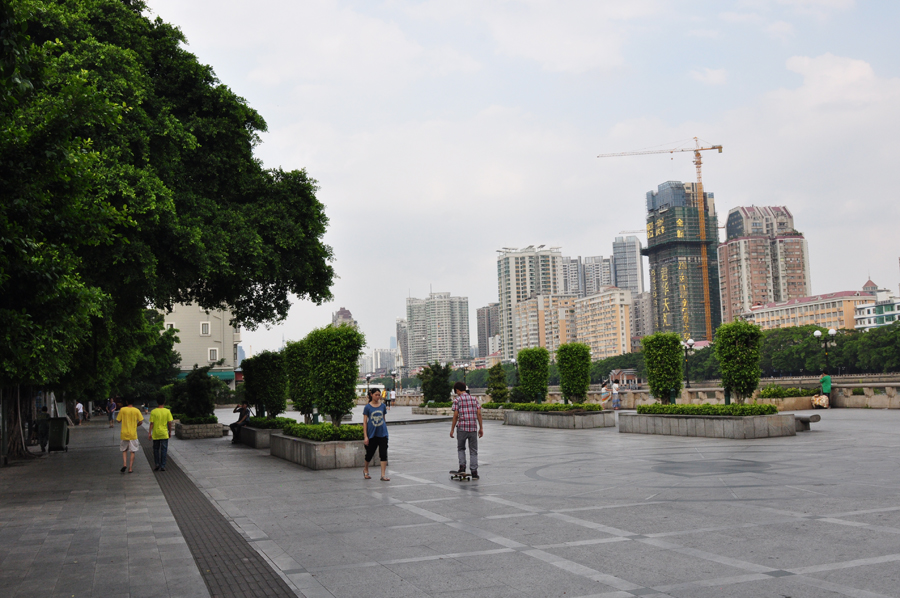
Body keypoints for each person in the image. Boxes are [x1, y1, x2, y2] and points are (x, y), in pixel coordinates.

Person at [450, 382, 483, 479]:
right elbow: (479, 414)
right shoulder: (474, 399)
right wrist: (481, 428)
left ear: (457, 390)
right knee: (473, 450)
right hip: (473, 428)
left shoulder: (457, 400)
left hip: (462, 428)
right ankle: (474, 472)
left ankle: (462, 467)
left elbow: (455, 416)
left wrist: (452, 429)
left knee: (461, 448)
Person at [362, 388, 389, 481]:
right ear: (372, 395)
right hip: (372, 433)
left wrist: (386, 431)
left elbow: (384, 419)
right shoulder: (367, 407)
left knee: (383, 454)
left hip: (382, 433)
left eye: (379, 395)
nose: (378, 396)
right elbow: (365, 422)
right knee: (369, 454)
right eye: (376, 395)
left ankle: (383, 475)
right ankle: (365, 469)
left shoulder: (383, 406)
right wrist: (365, 436)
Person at [116, 398, 143, 473]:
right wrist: (135, 425)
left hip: (124, 433)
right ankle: (130, 468)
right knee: (132, 451)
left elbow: (118, 420)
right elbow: (141, 422)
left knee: (124, 450)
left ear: (126, 401)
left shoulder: (122, 410)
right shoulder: (136, 410)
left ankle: (125, 464)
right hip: (133, 434)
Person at [148, 397, 174, 471]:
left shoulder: (153, 411)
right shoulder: (167, 411)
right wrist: (170, 432)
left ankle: (157, 464)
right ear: (164, 402)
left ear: (157, 402)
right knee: (164, 449)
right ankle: (163, 465)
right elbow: (169, 422)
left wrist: (149, 433)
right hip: (164, 433)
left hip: (156, 433)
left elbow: (151, 423)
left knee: (156, 449)